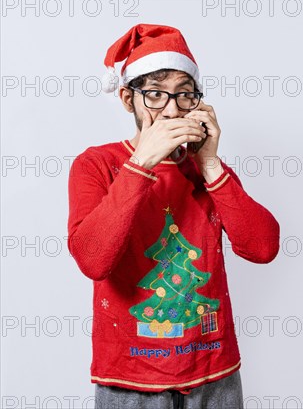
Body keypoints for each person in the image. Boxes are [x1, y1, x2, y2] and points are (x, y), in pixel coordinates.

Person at [67, 24, 280, 409]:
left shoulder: (207, 170)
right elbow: (93, 260)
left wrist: (211, 163)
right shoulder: (97, 164)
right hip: (129, 377)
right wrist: (141, 162)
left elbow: (262, 248)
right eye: (155, 94)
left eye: (184, 95)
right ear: (127, 98)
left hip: (214, 370)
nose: (170, 109)